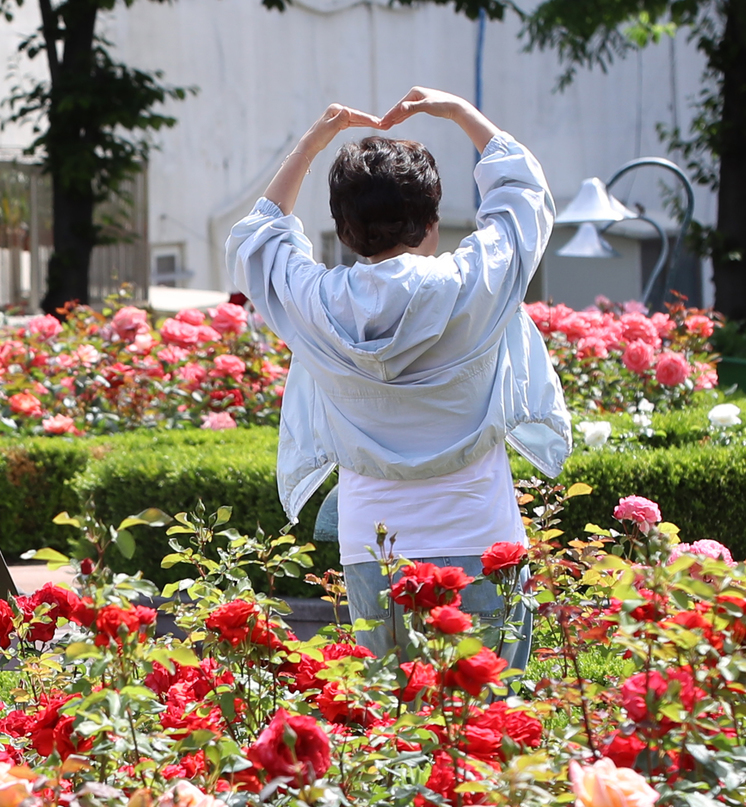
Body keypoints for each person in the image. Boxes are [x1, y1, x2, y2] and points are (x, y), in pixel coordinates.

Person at [226, 87, 570, 664]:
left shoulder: (316, 303)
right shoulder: (473, 285)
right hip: (481, 534)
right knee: (494, 725)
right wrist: (460, 112)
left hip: (373, 547)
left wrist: (314, 140)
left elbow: (260, 238)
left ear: (342, 227)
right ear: (432, 220)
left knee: (394, 732)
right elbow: (522, 196)